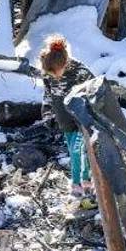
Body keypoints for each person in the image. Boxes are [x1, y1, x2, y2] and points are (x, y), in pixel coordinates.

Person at [39, 35, 95, 205]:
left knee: (81, 150)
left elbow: (94, 90)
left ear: (64, 63)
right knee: (72, 150)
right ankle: (79, 180)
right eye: (50, 74)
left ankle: (83, 181)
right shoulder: (48, 75)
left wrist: (91, 114)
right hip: (63, 118)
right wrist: (48, 114)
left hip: (80, 118)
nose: (54, 76)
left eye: (56, 73)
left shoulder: (80, 72)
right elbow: (47, 95)